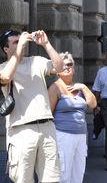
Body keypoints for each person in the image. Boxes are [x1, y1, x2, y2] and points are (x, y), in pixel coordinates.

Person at [0, 28, 64, 183]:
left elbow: (60, 68)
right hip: (21, 130)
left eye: (20, 40)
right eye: (15, 42)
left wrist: (46, 44)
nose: (20, 43)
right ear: (5, 48)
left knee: (52, 179)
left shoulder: (36, 61)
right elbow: (6, 77)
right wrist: (19, 49)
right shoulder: (3, 67)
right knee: (23, 179)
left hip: (47, 127)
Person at [48, 52, 97, 183]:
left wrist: (84, 87)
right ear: (57, 70)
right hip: (63, 136)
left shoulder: (79, 87)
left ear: (74, 68)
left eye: (70, 64)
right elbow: (48, 114)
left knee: (78, 174)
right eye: (63, 65)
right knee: (64, 175)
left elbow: (93, 104)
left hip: (81, 136)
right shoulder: (55, 88)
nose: (67, 67)